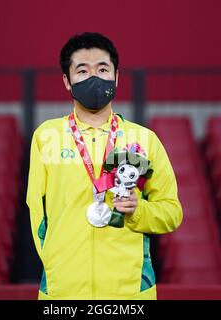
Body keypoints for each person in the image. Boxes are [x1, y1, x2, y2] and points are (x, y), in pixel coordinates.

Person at [26, 32, 182, 300]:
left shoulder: (144, 140)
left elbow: (171, 212)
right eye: (82, 70)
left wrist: (138, 210)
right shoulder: (46, 137)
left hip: (131, 293)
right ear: (67, 80)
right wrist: (56, 266)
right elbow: (36, 213)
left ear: (116, 77)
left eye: (102, 69)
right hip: (62, 292)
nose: (94, 78)